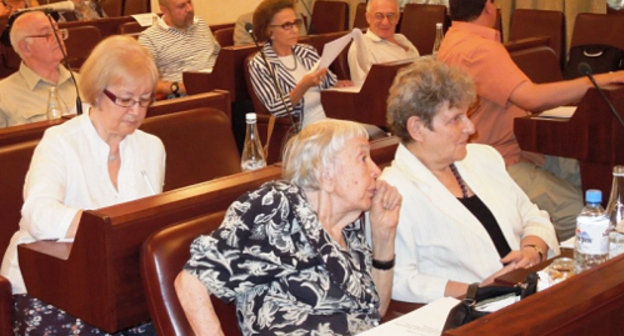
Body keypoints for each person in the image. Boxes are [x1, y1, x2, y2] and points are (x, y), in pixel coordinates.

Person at [0, 35, 164, 334]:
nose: (136, 111)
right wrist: (102, 229)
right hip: (48, 283)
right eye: (125, 99)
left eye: (145, 100)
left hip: (116, 285)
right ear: (98, 92)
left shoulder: (152, 147)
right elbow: (36, 214)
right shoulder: (61, 141)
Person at [175, 119, 402, 335]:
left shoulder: (348, 228)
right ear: (325, 174)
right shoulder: (278, 206)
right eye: (363, 158)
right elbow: (191, 281)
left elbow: (373, 314)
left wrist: (384, 234)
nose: (376, 171)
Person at [437, 0, 624, 240]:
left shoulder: (454, 40)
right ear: (489, 7)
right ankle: (558, 269)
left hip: (521, 148)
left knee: (593, 180)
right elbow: (531, 98)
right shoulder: (479, 49)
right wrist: (603, 80)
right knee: (581, 213)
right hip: (498, 160)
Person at [380, 58, 560, 304]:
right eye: (455, 119)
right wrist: (477, 289)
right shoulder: (394, 191)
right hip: (470, 313)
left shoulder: (483, 158)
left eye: (467, 115)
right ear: (417, 128)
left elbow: (533, 215)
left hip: (526, 293)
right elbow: (400, 280)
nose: (470, 127)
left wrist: (532, 250)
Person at [248, 0, 352, 129]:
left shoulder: (307, 51)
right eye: (287, 25)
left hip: (332, 113)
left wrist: (340, 84)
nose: (295, 30)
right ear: (269, 31)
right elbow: (276, 109)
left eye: (296, 23)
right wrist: (303, 86)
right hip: (303, 123)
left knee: (373, 127)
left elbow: (330, 83)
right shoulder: (260, 64)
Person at [0, 10, 78, 128]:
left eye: (57, 31)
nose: (57, 38)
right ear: (25, 47)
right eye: (47, 34)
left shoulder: (85, 83)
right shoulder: (4, 95)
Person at [138, 0, 219, 97]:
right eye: (181, 6)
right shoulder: (149, 38)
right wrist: (176, 87)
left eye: (189, 2)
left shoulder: (201, 24)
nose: (189, 9)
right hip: (184, 96)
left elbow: (218, 55)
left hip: (217, 88)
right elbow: (141, 81)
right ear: (165, 10)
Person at [348, 0, 419, 83]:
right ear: (368, 17)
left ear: (398, 18)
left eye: (391, 15)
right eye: (379, 16)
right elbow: (365, 89)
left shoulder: (401, 38)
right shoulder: (360, 47)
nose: (385, 22)